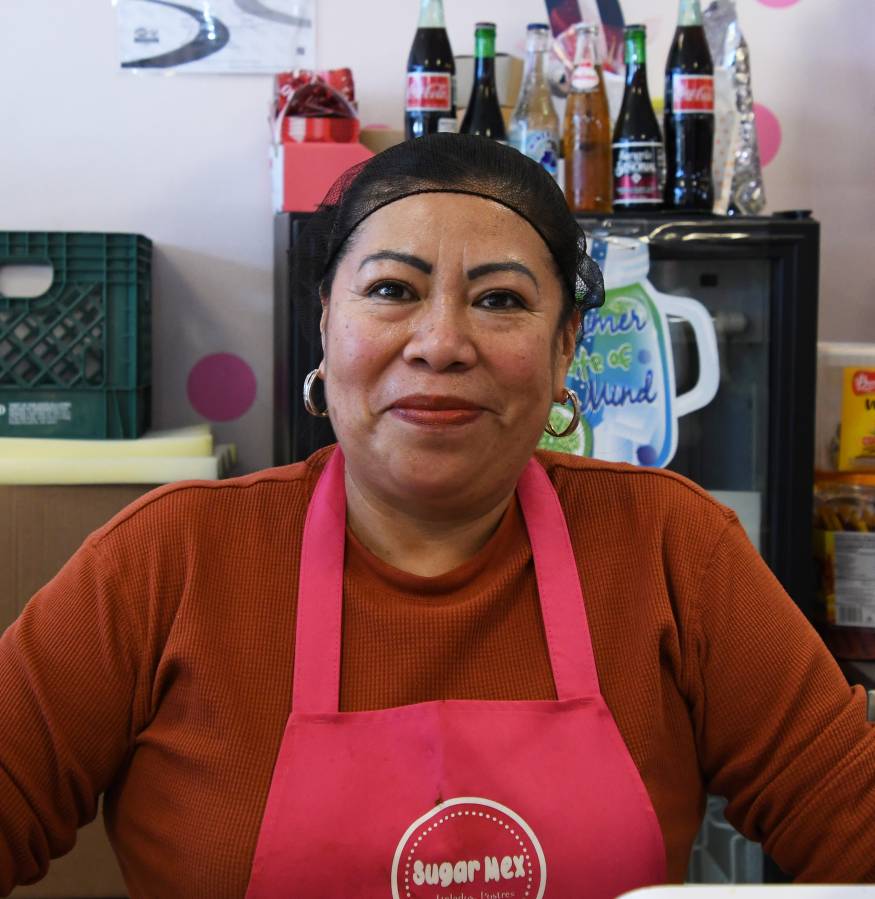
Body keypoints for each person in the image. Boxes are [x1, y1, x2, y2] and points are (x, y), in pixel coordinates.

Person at [1, 134, 873, 899]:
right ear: (326, 321)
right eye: (390, 289)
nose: (440, 341)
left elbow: (850, 817)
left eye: (500, 300)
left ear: (566, 345)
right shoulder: (166, 560)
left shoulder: (671, 549)